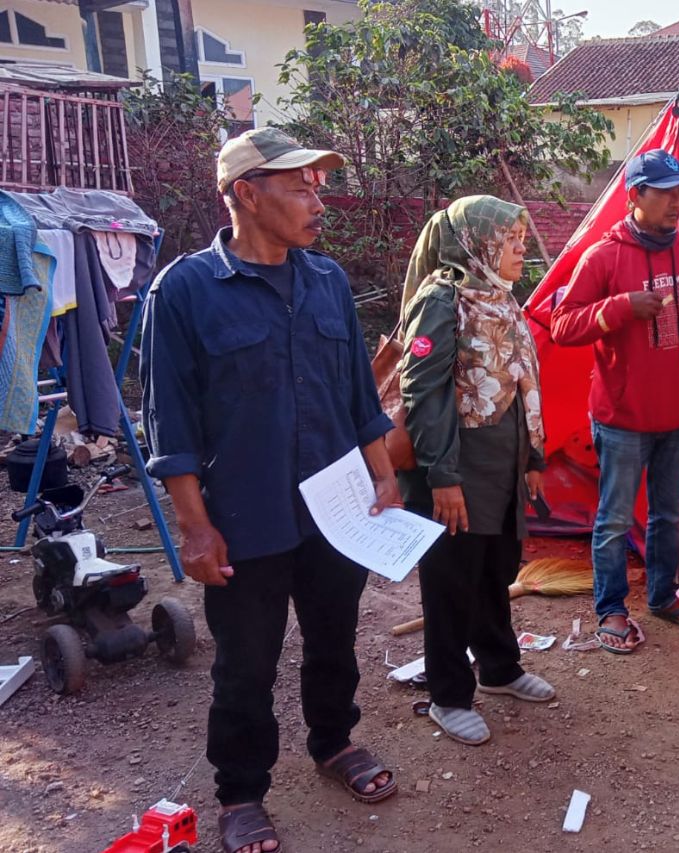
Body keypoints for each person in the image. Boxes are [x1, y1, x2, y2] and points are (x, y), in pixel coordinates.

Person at [141, 128, 399, 853]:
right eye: (299, 186)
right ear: (246, 196)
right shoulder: (185, 292)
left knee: (334, 637)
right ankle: (242, 789)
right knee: (245, 660)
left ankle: (334, 741)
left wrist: (382, 475)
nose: (318, 199)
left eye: (318, 184)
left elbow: (360, 398)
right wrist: (195, 526)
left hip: (336, 510)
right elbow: (174, 424)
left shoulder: (326, 280)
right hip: (244, 518)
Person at [398, 195, 556, 746]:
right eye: (509, 239)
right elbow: (422, 389)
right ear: (478, 243)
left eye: (519, 237)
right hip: (459, 470)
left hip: (503, 467)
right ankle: (448, 694)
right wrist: (442, 475)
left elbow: (522, 378)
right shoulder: (442, 301)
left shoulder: (502, 298)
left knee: (495, 568)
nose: (519, 249)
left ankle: (499, 667)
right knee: (451, 580)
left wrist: (533, 458)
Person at [550, 149, 679, 654]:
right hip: (622, 416)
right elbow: (562, 326)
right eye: (664, 192)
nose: (676, 202)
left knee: (669, 514)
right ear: (635, 195)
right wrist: (619, 308)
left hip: (678, 412)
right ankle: (612, 609)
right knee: (615, 518)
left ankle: (663, 596)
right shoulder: (603, 255)